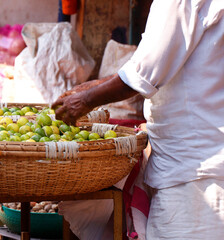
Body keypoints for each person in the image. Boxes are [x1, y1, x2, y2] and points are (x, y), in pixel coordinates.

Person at [52, 0, 224, 239]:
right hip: (202, 161)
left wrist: (85, 100)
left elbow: (146, 71)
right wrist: (96, 86)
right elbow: (166, 62)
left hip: (194, 171)